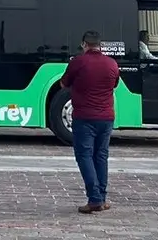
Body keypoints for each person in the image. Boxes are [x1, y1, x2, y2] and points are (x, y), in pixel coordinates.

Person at [60, 30, 120, 214]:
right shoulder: (112, 63)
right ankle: (101, 198)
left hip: (84, 117)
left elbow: (64, 83)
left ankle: (94, 199)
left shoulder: (78, 62)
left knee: (84, 156)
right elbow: (115, 84)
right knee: (101, 156)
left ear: (84, 44)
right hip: (106, 118)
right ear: (100, 45)